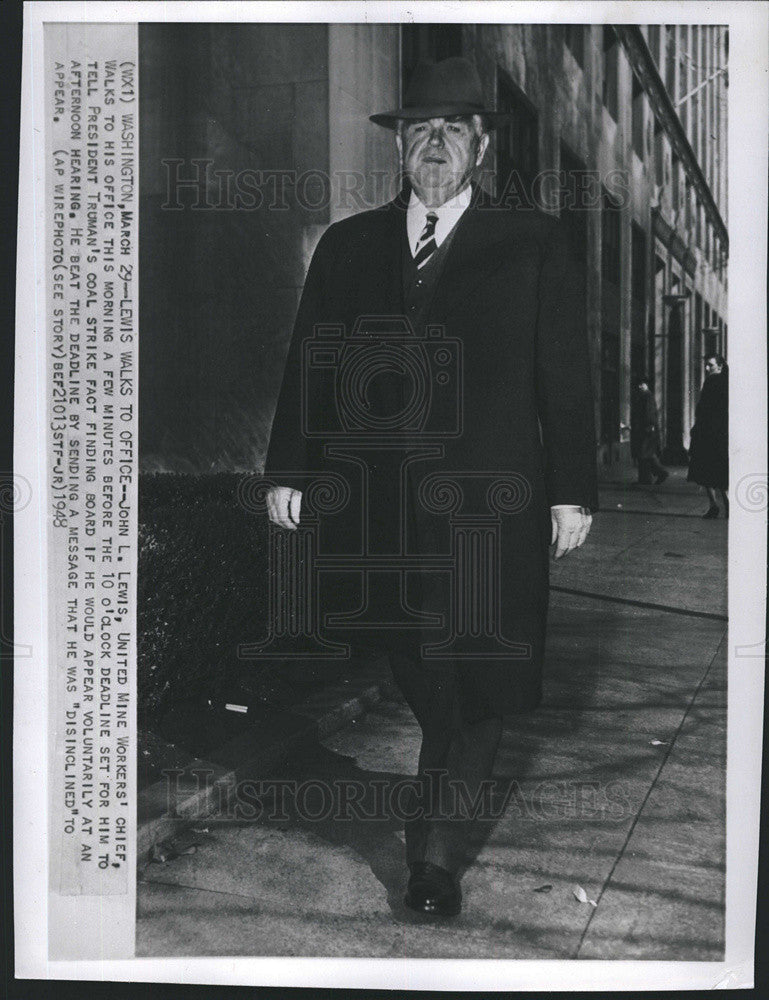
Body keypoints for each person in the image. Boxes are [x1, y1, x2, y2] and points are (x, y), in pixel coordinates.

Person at [264, 57, 597, 916]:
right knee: (419, 663)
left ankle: (436, 862)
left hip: (494, 504)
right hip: (382, 511)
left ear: (481, 144)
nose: (436, 144)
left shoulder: (532, 241)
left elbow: (562, 372)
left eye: (454, 128)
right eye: (421, 131)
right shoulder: (348, 245)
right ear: (401, 149)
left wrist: (572, 488)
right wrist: (289, 470)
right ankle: (439, 790)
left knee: (479, 674)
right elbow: (310, 361)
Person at [688, 354, 729, 518]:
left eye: (710, 365)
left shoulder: (712, 381)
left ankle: (714, 505)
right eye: (706, 365)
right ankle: (727, 504)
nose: (706, 368)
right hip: (720, 434)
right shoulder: (727, 382)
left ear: (719, 366)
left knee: (705, 469)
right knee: (720, 471)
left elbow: (704, 409)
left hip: (708, 434)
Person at [631, 380, 668, 485]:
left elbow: (649, 413)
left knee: (644, 454)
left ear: (646, 385)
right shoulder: (645, 395)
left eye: (642, 384)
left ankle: (659, 473)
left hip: (646, 430)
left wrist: (649, 426)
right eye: (638, 384)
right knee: (645, 454)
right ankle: (646, 478)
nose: (639, 386)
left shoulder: (647, 396)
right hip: (646, 429)